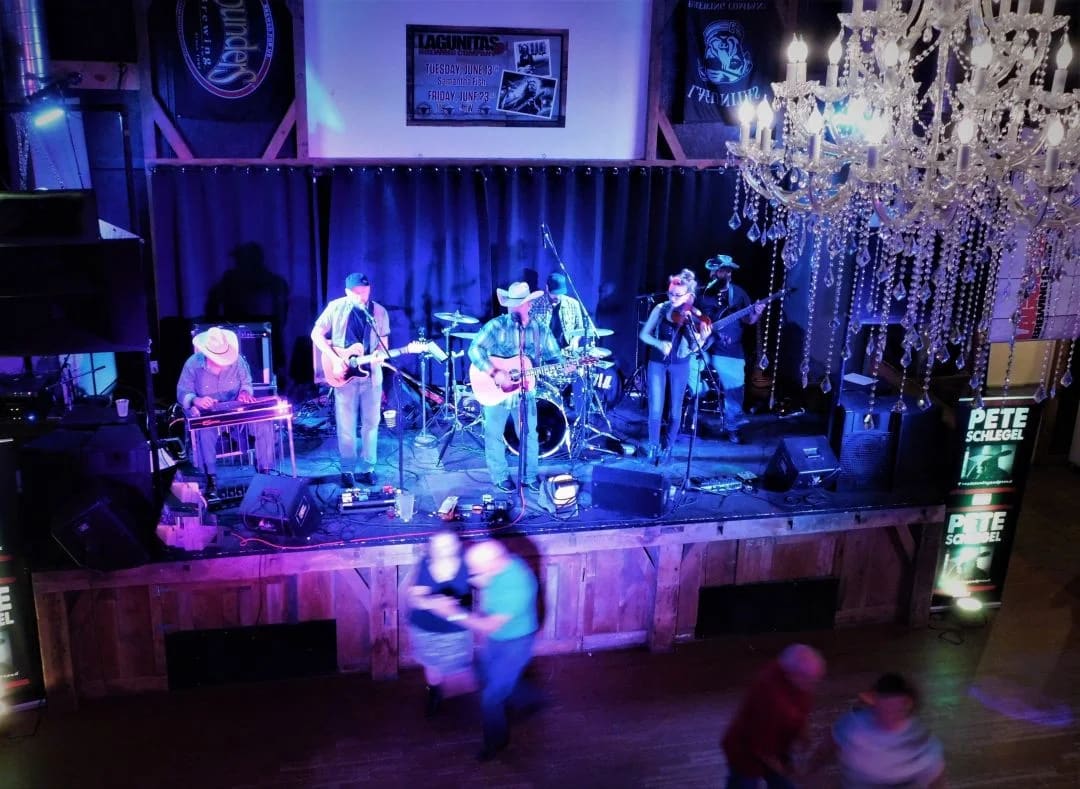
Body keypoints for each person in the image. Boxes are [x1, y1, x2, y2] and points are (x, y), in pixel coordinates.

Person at [428, 539, 541, 762]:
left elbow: (489, 625)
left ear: (493, 562)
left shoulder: (516, 585)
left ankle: (495, 743)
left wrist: (452, 614)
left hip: (516, 643)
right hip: (499, 638)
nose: (474, 572)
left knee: (491, 698)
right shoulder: (505, 563)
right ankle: (529, 699)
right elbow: (483, 579)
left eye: (477, 568)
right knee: (483, 672)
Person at [468, 281, 565, 492]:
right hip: (495, 391)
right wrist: (495, 372)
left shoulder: (540, 329)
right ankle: (500, 476)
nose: (511, 307)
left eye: (517, 303)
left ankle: (530, 477)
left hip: (525, 391)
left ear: (528, 304)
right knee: (494, 434)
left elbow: (555, 358)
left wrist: (565, 367)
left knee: (530, 435)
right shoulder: (496, 326)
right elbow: (474, 350)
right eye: (510, 303)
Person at [311, 272, 390, 488]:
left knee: (371, 424)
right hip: (343, 375)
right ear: (347, 292)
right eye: (356, 293)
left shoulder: (379, 312)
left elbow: (384, 344)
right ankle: (347, 469)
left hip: (371, 377)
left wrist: (380, 356)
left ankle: (368, 468)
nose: (361, 296)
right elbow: (316, 334)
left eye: (364, 292)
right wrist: (335, 359)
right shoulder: (335, 307)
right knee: (346, 426)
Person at [177, 326, 274, 494]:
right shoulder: (193, 364)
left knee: (264, 423)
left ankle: (265, 472)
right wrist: (196, 400)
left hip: (236, 410)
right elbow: (182, 392)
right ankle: (211, 477)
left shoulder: (237, 360)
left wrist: (244, 393)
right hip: (210, 414)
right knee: (204, 431)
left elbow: (246, 382)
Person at [721, 643, 826, 789]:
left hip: (775, 745)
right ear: (792, 675)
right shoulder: (771, 700)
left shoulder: (793, 674)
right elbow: (762, 749)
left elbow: (801, 710)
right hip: (745, 752)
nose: (813, 685)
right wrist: (790, 773)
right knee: (745, 782)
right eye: (810, 680)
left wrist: (804, 734)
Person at [816, 673, 947, 788]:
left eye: (894, 708)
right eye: (883, 707)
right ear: (874, 702)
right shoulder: (851, 726)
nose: (888, 714)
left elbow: (937, 782)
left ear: (907, 705)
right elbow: (824, 750)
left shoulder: (923, 744)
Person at [638, 271, 712, 464]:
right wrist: (658, 343)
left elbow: (694, 348)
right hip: (657, 363)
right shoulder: (661, 308)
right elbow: (644, 335)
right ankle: (653, 446)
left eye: (678, 295)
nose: (673, 298)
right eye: (670, 293)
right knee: (655, 407)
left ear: (689, 296)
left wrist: (703, 339)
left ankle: (668, 447)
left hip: (681, 365)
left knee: (675, 409)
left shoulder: (694, 315)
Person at [405, 530, 475, 718]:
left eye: (449, 544)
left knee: (459, 665)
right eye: (439, 545)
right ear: (431, 548)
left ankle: (461, 704)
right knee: (433, 667)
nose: (444, 549)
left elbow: (485, 578)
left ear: (457, 545)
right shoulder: (425, 564)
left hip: (456, 627)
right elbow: (414, 599)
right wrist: (433, 602)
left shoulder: (466, 562)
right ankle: (434, 694)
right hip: (428, 627)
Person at [699, 254, 764, 443]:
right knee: (686, 369)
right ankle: (692, 419)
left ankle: (732, 427)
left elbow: (749, 320)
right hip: (704, 349)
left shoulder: (739, 294)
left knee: (735, 388)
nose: (714, 274)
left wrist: (757, 313)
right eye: (713, 270)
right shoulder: (702, 294)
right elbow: (693, 319)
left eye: (719, 270)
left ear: (728, 273)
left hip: (730, 352)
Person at [530, 271, 589, 418]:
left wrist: (575, 341)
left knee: (580, 375)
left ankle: (579, 415)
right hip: (545, 356)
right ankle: (542, 411)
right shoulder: (535, 304)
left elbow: (580, 329)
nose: (558, 296)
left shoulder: (573, 304)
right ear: (547, 288)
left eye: (561, 293)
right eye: (555, 293)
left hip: (566, 354)